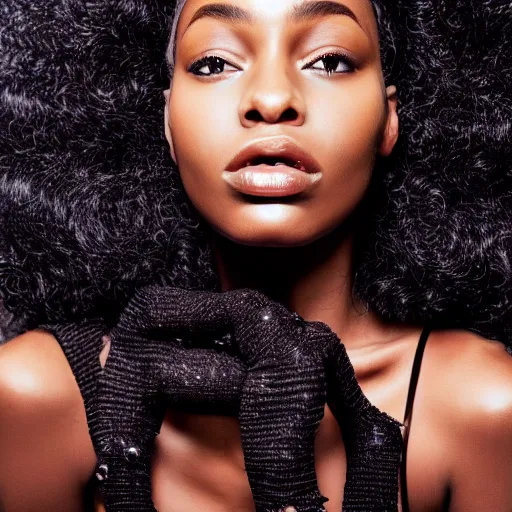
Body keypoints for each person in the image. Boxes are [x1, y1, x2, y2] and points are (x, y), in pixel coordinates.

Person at [0, 0, 511, 511]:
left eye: (330, 60)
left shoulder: (479, 409)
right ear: (167, 122)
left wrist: (291, 489)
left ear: (388, 118)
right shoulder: (38, 398)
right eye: (214, 63)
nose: (271, 99)